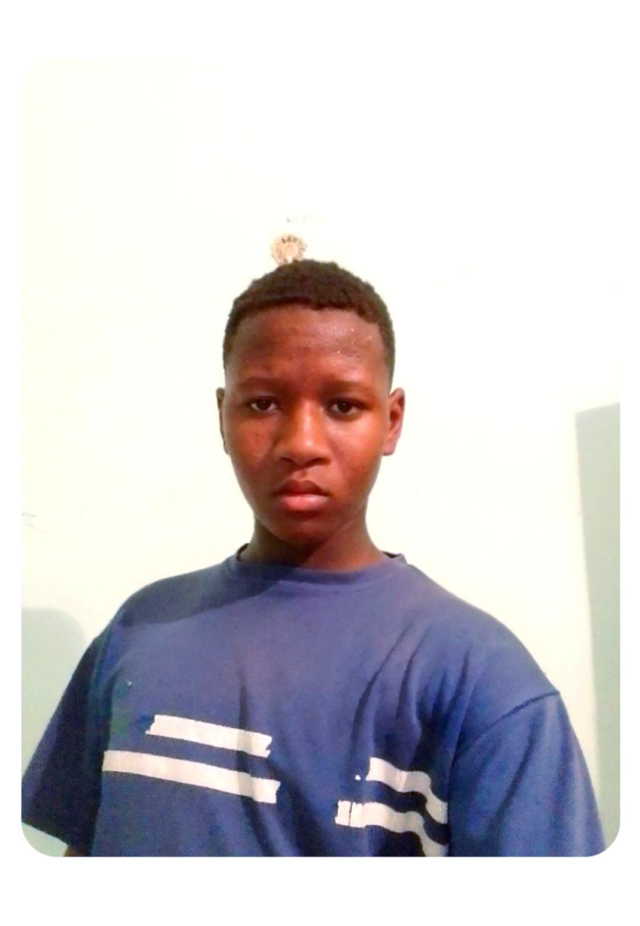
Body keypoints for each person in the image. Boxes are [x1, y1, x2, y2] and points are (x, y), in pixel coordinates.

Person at [22, 258, 604, 856]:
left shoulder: (481, 678)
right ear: (222, 415)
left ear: (391, 421)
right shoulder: (140, 628)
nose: (300, 443)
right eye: (263, 404)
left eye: (343, 406)